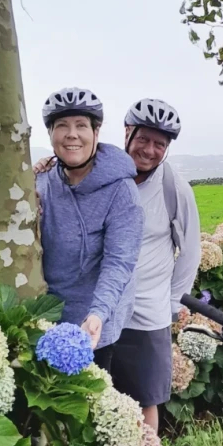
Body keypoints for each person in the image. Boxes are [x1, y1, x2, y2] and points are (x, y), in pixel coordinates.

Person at [36, 98, 201, 430]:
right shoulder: (92, 174)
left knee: (144, 398)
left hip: (145, 309)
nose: (149, 150)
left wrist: (169, 303)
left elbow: (190, 250)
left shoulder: (174, 188)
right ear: (127, 133)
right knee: (101, 397)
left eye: (159, 144)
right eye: (143, 139)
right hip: (95, 306)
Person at [36, 88, 144, 370]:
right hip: (45, 316)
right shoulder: (41, 180)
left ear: (96, 133)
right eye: (62, 126)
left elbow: (119, 262)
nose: (72, 134)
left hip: (94, 324)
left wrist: (97, 315)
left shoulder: (122, 191)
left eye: (81, 125)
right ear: (50, 135)